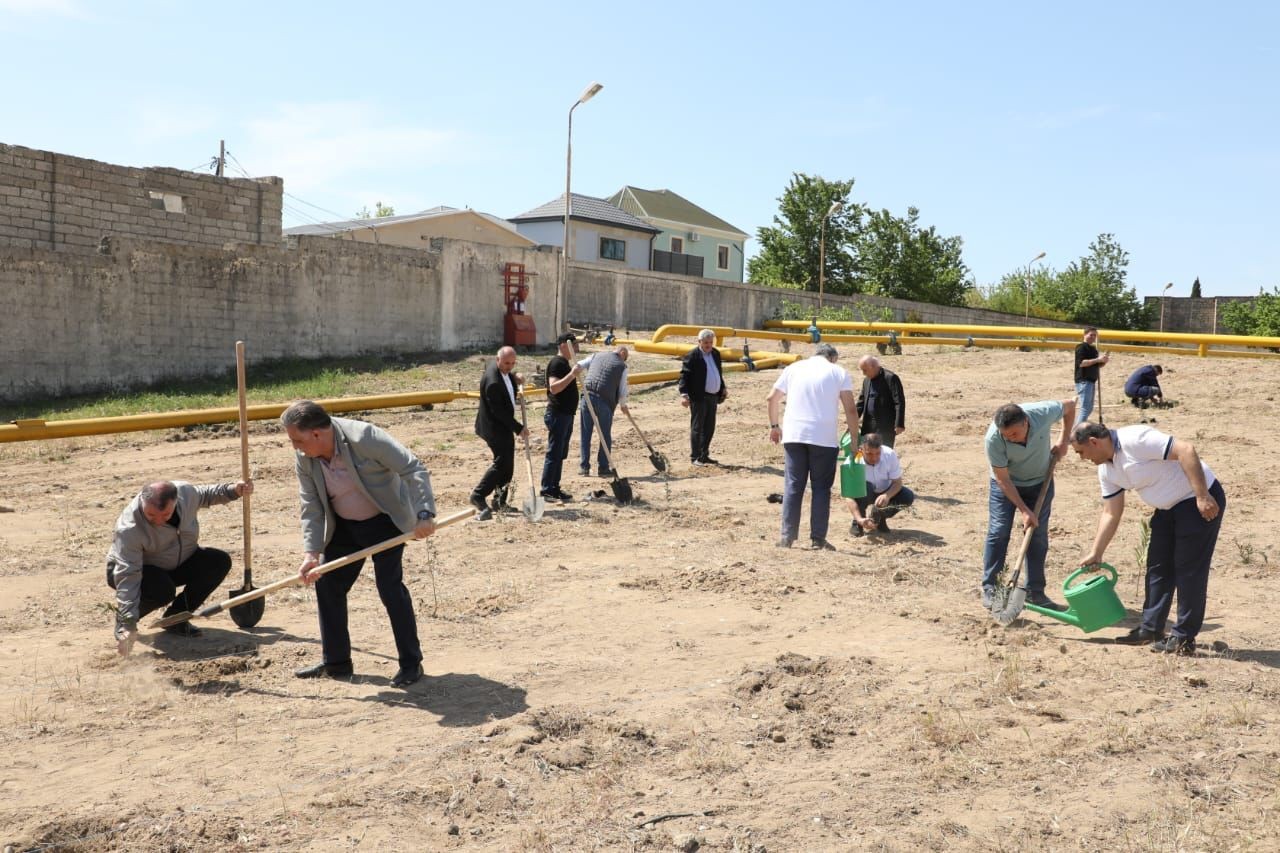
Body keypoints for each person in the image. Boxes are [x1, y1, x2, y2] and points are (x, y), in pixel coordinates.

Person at [282, 400, 437, 687]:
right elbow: (311, 505)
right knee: (327, 584)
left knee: (389, 588)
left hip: (384, 521)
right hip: (343, 526)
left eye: (297, 440)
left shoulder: (364, 438)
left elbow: (413, 468)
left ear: (316, 433)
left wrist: (425, 513)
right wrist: (311, 553)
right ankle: (337, 662)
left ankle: (410, 663)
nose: (295, 447)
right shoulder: (306, 457)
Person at [1070, 421, 1226, 655]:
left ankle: (1184, 638)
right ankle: (1151, 628)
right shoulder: (1107, 470)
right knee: (1158, 567)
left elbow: (1186, 450)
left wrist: (1202, 496)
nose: (1082, 458)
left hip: (1197, 501)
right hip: (1166, 509)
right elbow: (1111, 512)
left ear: (1093, 442)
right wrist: (1097, 551)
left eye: (1081, 452)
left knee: (1189, 570)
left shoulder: (1135, 439)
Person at [107, 478, 253, 656]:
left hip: (177, 561)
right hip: (138, 570)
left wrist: (233, 490)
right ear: (142, 502)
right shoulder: (129, 529)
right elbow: (128, 575)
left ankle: (175, 619)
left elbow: (206, 495)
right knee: (162, 590)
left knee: (218, 562)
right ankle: (126, 623)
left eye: (166, 515)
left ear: (176, 502)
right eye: (151, 515)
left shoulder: (186, 493)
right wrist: (127, 621)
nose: (158, 521)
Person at [981, 399, 1077, 612]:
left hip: (1040, 482)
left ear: (1026, 422)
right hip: (1006, 486)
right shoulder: (993, 439)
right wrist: (1024, 510)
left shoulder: (1042, 413)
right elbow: (1002, 480)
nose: (1010, 439)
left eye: (1014, 434)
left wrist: (1063, 440)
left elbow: (1070, 406)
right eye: (1007, 436)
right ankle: (991, 588)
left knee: (1038, 535)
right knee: (998, 532)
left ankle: (1035, 592)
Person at [766, 343, 859, 550]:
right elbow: (851, 409)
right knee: (821, 489)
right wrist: (854, 439)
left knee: (793, 486)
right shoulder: (838, 372)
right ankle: (818, 539)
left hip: (794, 436)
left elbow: (772, 398)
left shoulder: (793, 368)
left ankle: (787, 537)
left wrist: (774, 426)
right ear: (833, 358)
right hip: (823, 438)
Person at [472, 346, 528, 521]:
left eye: (512, 363)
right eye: (506, 363)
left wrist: (514, 377)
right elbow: (499, 412)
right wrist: (519, 428)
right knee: (502, 462)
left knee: (508, 464)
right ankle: (478, 495)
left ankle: (499, 501)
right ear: (498, 360)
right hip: (493, 427)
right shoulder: (493, 382)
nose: (509, 366)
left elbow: (507, 376)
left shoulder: (502, 371)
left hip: (501, 426)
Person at [846, 432, 915, 537]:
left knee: (907, 496)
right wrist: (859, 519)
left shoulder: (889, 454)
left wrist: (887, 495)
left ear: (881, 449)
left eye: (877, 453)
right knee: (864, 487)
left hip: (885, 490)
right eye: (869, 454)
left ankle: (879, 518)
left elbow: (897, 482)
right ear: (861, 449)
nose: (874, 458)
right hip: (865, 492)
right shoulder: (852, 462)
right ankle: (858, 523)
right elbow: (849, 496)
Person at [578, 345, 630, 477]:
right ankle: (603, 467)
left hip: (587, 396)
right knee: (605, 434)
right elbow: (623, 390)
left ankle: (584, 467)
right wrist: (623, 405)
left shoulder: (596, 355)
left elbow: (579, 365)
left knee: (585, 433)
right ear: (622, 352)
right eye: (626, 358)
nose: (625, 361)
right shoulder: (622, 367)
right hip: (604, 401)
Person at [540, 333, 580, 502]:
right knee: (554, 452)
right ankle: (547, 489)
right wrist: (572, 375)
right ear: (564, 345)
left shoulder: (564, 363)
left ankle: (555, 488)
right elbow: (554, 387)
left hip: (566, 414)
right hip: (558, 414)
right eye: (575, 345)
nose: (577, 349)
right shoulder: (557, 363)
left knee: (560, 453)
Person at [679, 329, 728, 466]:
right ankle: (695, 457)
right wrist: (684, 394)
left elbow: (718, 372)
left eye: (710, 342)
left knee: (709, 427)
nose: (708, 345)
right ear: (699, 342)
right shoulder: (692, 356)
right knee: (697, 427)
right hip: (698, 397)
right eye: (706, 342)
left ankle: (704, 455)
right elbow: (684, 376)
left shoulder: (716, 353)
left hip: (713, 397)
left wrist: (722, 387)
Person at [855, 355, 905, 447]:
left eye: (865, 370)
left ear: (874, 367)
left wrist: (899, 424)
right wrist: (853, 421)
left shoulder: (890, 378)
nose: (863, 373)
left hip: (885, 426)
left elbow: (899, 401)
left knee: (883, 454)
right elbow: (860, 403)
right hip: (868, 426)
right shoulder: (866, 381)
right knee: (867, 454)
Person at [1073, 326, 1109, 424]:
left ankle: (1078, 429)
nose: (1093, 337)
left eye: (1094, 336)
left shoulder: (1093, 349)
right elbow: (1082, 363)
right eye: (1091, 335)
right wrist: (1098, 359)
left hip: (1091, 381)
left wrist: (1103, 361)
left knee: (1089, 408)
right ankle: (1075, 432)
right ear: (1085, 334)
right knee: (1085, 409)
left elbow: (1097, 366)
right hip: (1084, 381)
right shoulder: (1081, 347)